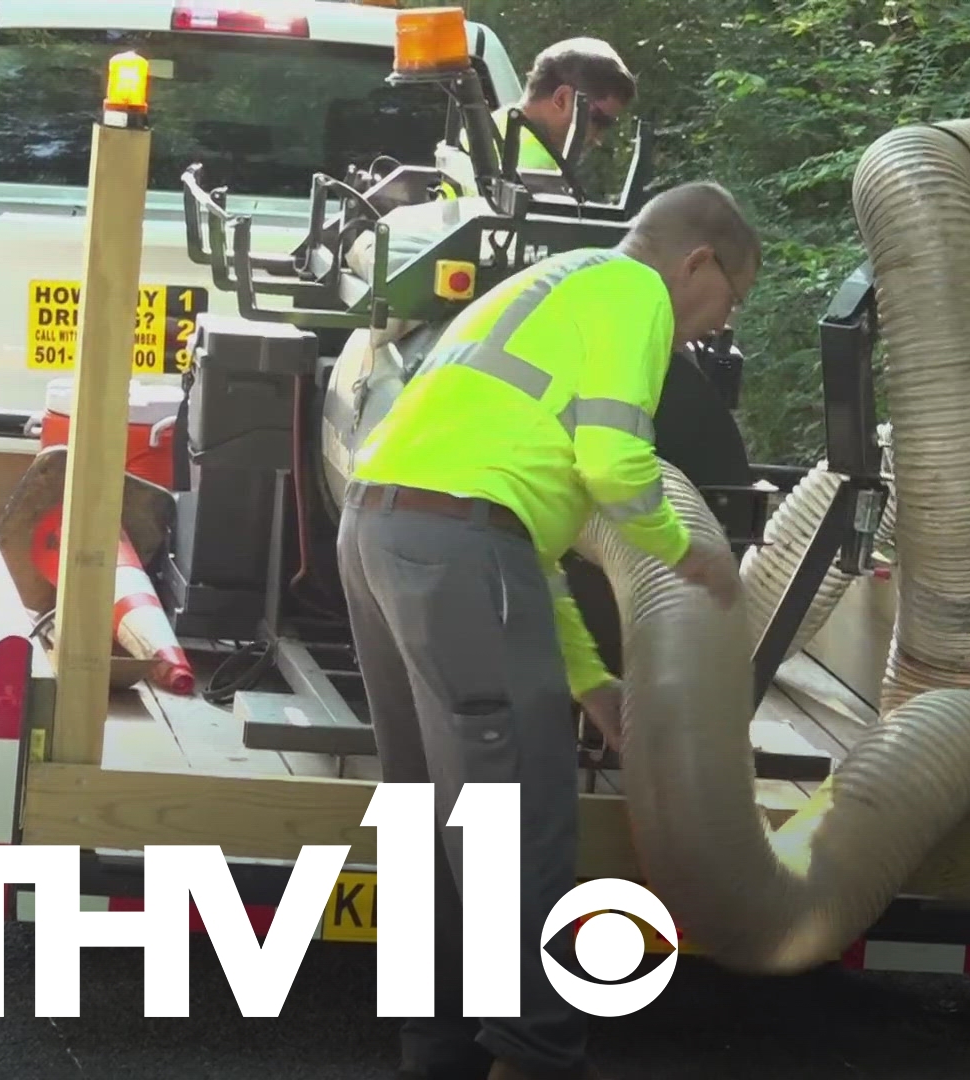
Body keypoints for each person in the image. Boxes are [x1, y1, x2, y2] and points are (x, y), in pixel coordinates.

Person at [336, 180, 758, 1080]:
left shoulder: (547, 281)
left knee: (427, 816)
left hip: (379, 532)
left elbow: (520, 541)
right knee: (517, 821)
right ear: (697, 263)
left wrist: (589, 682)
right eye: (727, 302)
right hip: (456, 546)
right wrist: (689, 553)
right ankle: (534, 1057)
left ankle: (436, 1053)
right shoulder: (637, 292)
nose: (710, 331)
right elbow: (612, 463)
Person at [450, 37, 637, 196]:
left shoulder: (492, 128)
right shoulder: (541, 175)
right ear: (562, 99)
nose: (599, 139)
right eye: (600, 121)